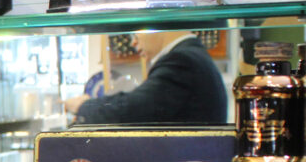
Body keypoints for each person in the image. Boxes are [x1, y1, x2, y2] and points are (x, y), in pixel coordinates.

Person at [65, 31, 228, 124]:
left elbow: (134, 109)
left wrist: (84, 106)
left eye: (135, 34)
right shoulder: (191, 55)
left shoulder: (181, 60)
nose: (133, 43)